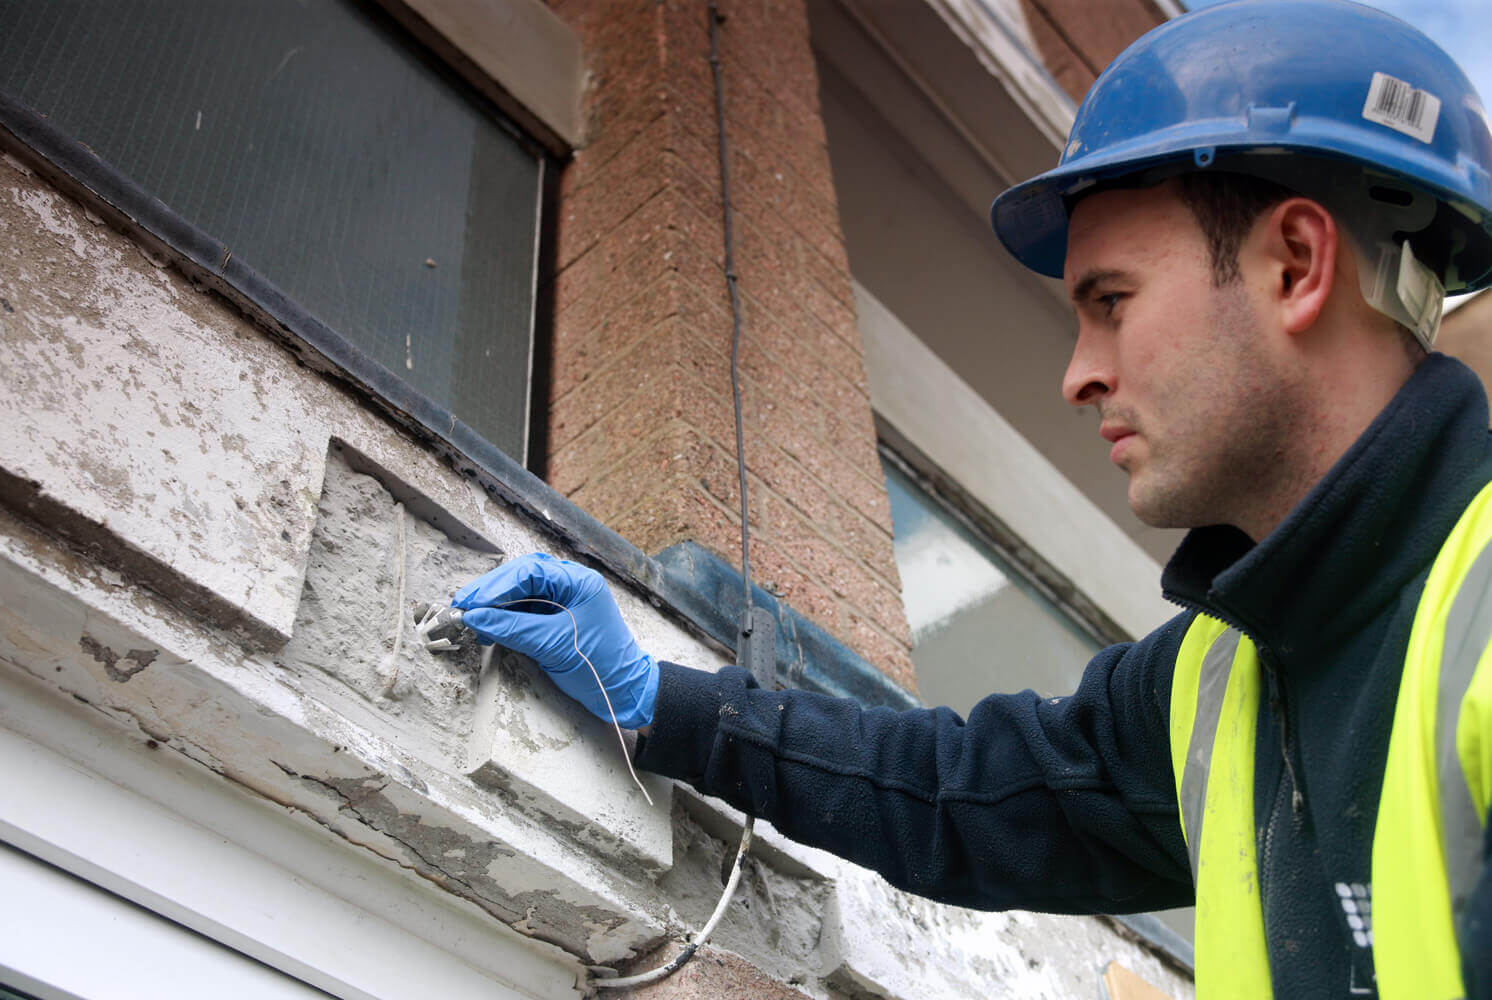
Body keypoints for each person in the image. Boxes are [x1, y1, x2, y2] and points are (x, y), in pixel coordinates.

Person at [450, 1, 1492, 996]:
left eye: (1112, 302)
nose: (1077, 374)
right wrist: (663, 702)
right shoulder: (1224, 680)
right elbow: (953, 789)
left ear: (1297, 265)